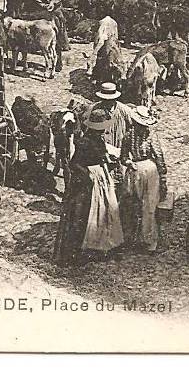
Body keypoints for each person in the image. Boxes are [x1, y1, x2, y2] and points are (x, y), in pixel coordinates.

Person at [53, 112, 124, 268]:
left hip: (100, 178)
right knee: (84, 215)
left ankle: (100, 246)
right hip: (87, 182)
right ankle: (77, 253)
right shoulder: (84, 142)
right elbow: (74, 164)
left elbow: (100, 156)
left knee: (104, 212)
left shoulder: (97, 140)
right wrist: (89, 176)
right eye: (100, 129)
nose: (103, 131)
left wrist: (107, 162)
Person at [119, 105, 168, 253]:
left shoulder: (132, 135)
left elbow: (124, 157)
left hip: (139, 169)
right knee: (143, 205)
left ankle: (142, 239)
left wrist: (129, 163)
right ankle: (143, 239)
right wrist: (163, 176)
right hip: (143, 169)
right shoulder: (141, 136)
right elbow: (158, 156)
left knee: (143, 205)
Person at [32, 0, 68, 70]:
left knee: (45, 38)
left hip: (43, 12)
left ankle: (48, 62)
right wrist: (53, 3)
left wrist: (43, 4)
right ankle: (58, 63)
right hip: (56, 11)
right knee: (58, 36)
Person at [87, 81, 132, 153]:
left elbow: (131, 127)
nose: (108, 101)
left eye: (111, 99)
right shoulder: (93, 108)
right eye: (105, 99)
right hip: (99, 149)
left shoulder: (124, 110)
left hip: (118, 148)